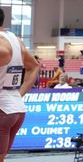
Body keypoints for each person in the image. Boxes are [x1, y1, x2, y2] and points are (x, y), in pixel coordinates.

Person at [0, 8, 40, 162]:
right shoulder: (15, 39)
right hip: (16, 109)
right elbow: (34, 66)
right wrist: (18, 93)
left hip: (3, 110)